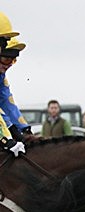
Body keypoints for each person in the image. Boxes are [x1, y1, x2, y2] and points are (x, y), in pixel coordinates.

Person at [0, 25, 31, 157]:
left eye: (13, 61)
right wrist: (7, 137)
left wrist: (24, 129)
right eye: (6, 59)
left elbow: (7, 102)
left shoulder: (1, 77)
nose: (9, 65)